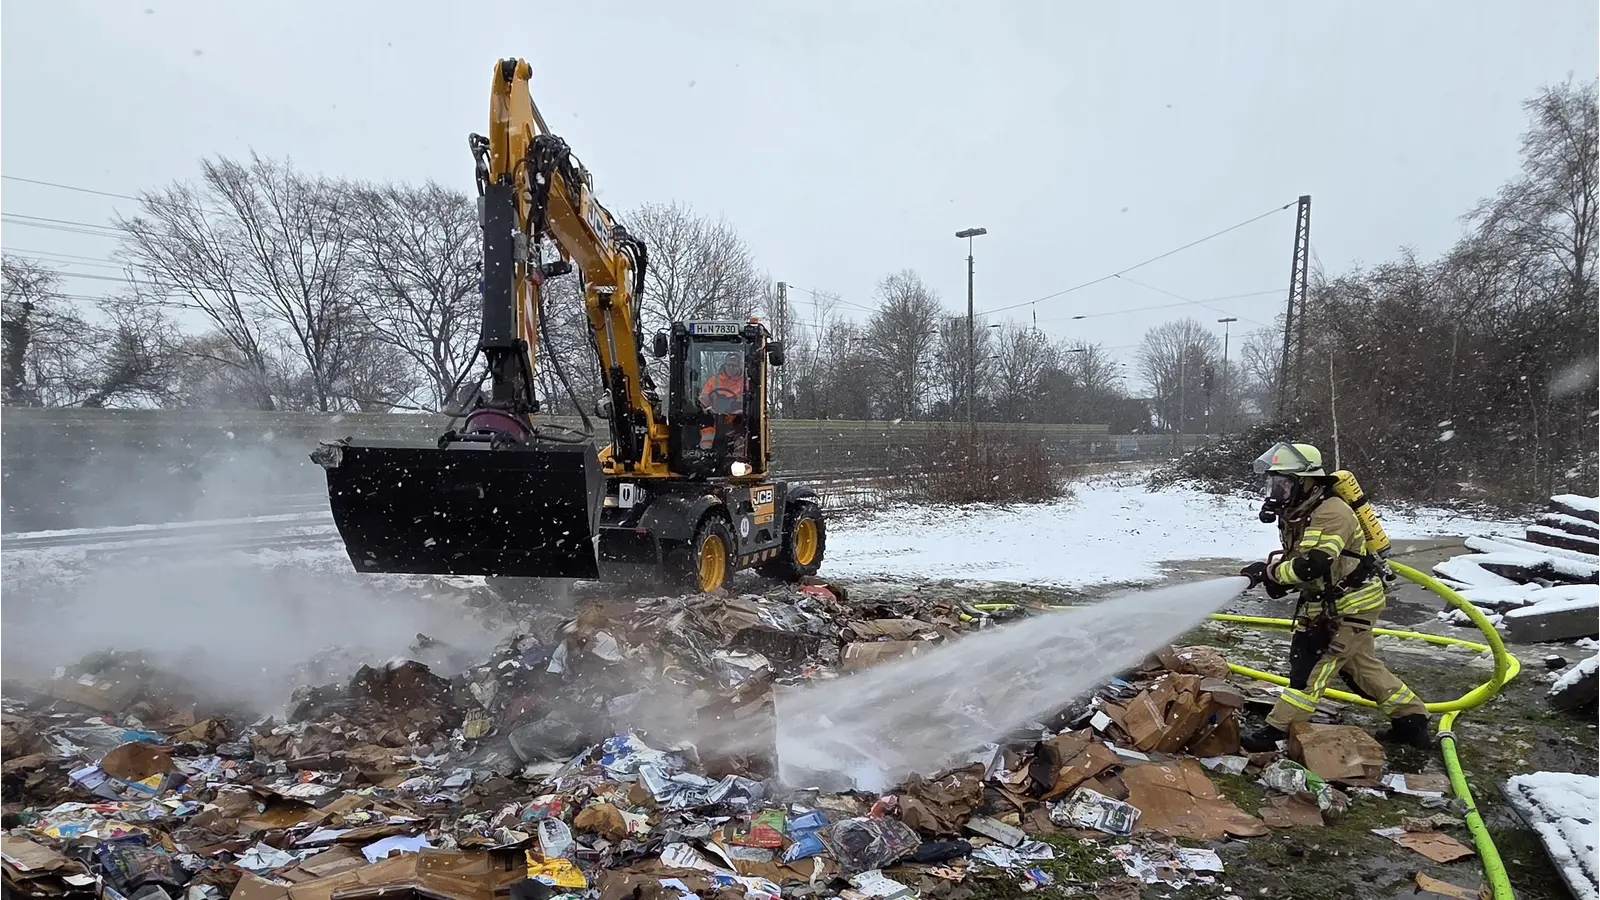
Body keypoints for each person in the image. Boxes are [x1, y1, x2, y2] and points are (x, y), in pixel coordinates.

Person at [1237, 441, 1430, 752]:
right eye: (1274, 483)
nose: (1277, 492)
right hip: (1329, 602)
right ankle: (1412, 721)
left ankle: (1275, 730)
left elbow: (1312, 564)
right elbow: (1299, 559)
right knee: (1361, 667)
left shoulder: (1332, 512)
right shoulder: (1299, 511)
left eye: (1285, 484)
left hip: (1349, 605)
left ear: (1309, 482)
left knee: (1312, 667)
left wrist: (1270, 573)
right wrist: (1274, 572)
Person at [699, 353, 747, 453]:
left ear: (739, 366)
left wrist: (740, 411)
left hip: (736, 421)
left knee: (745, 427)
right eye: (728, 365)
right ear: (724, 365)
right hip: (716, 418)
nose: (730, 368)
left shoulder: (745, 382)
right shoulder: (714, 381)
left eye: (733, 365)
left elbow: (750, 402)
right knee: (704, 424)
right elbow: (703, 400)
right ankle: (705, 453)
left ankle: (739, 455)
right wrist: (708, 409)